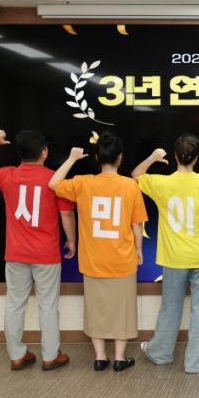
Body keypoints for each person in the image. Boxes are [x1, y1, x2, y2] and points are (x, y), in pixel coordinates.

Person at [49, 131, 148, 372]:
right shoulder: (130, 185)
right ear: (120, 157)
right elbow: (136, 225)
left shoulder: (83, 183)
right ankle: (120, 358)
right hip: (122, 259)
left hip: (93, 259)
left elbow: (53, 183)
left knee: (95, 309)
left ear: (96, 157)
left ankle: (100, 357)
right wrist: (139, 250)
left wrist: (72, 159)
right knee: (123, 309)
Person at [0, 129, 75, 371]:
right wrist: (71, 241)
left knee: (14, 304)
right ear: (44, 152)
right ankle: (50, 355)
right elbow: (66, 214)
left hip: (15, 253)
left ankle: (16, 355)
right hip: (46, 254)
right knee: (48, 305)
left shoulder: (7, 175)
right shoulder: (54, 179)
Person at [131, 135, 199, 373]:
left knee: (170, 307)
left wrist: (153, 158)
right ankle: (197, 363)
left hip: (174, 257)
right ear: (197, 157)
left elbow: (136, 175)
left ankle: (160, 354)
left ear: (175, 156)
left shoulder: (162, 184)